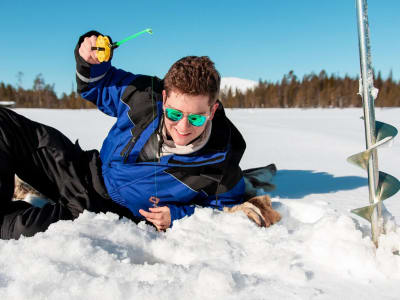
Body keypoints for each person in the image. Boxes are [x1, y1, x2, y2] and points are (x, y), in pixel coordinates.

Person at [0, 31, 279, 240]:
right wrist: (90, 56)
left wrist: (178, 215)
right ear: (165, 98)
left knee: (23, 228)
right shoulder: (144, 98)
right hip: (82, 169)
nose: (183, 127)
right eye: (174, 114)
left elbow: (225, 212)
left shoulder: (221, 167)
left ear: (212, 109)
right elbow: (96, 84)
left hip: (101, 213)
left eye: (196, 118)